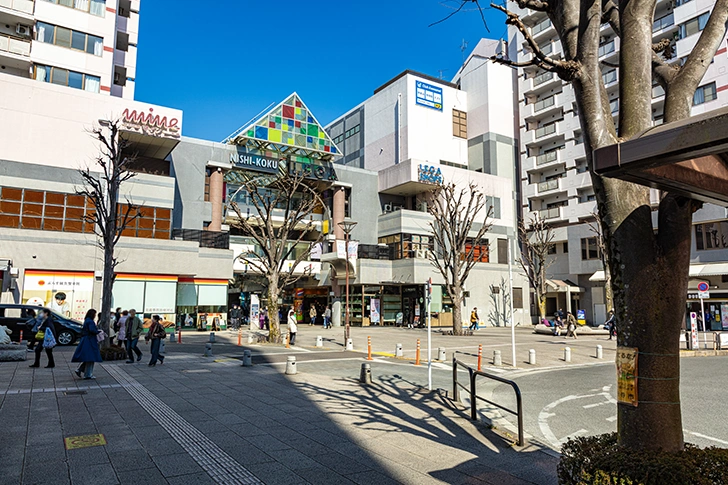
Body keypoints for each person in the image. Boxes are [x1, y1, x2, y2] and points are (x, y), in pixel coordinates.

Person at [72, 309, 103, 379]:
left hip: (86, 339)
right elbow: (92, 330)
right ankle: (88, 374)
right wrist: (98, 331)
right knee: (91, 357)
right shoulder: (91, 322)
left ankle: (80, 369)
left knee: (88, 357)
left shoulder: (87, 320)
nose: (95, 316)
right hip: (90, 340)